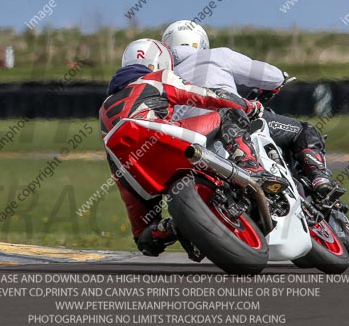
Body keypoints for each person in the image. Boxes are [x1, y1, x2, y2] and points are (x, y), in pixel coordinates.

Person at [99, 38, 278, 257]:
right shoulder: (157, 78)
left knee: (145, 238)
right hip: (160, 137)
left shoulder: (104, 106)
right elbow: (204, 96)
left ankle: (167, 229)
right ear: (161, 61)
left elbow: (111, 151)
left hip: (130, 169)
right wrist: (248, 105)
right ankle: (250, 165)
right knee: (228, 112)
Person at [161, 20, 344, 199]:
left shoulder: (163, 76)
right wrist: (280, 78)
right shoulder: (217, 55)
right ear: (202, 42)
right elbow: (270, 77)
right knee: (304, 131)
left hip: (185, 143)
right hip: (228, 122)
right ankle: (320, 178)